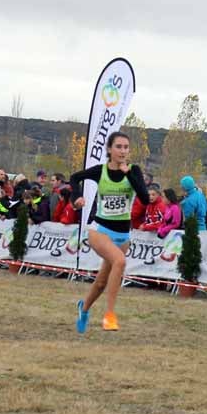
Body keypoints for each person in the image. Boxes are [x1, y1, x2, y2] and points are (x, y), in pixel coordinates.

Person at [70, 132, 150, 332]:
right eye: (119, 147)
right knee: (120, 262)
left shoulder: (134, 170)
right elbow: (74, 179)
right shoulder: (100, 171)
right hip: (100, 229)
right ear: (109, 149)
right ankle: (110, 315)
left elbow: (145, 198)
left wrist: (128, 174)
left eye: (126, 147)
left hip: (123, 235)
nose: (123, 151)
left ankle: (84, 308)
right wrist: (76, 198)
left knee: (101, 282)